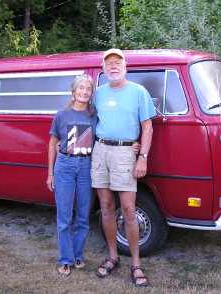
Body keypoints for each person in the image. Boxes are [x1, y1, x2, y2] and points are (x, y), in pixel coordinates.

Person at [91, 48, 156, 287]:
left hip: (125, 152)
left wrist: (143, 157)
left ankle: (136, 263)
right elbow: (85, 121)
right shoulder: (97, 93)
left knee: (129, 210)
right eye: (109, 64)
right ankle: (113, 256)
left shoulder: (138, 92)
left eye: (118, 63)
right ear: (104, 69)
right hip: (100, 151)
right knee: (106, 207)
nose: (114, 67)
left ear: (125, 66)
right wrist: (63, 144)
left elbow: (148, 128)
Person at [47, 74, 97, 276]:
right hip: (65, 166)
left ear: (91, 93)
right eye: (81, 88)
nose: (84, 91)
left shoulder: (95, 115)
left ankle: (78, 255)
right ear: (74, 91)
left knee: (83, 216)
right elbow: (52, 144)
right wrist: (50, 173)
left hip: (87, 167)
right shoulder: (61, 114)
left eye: (88, 89)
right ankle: (65, 258)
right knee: (64, 216)